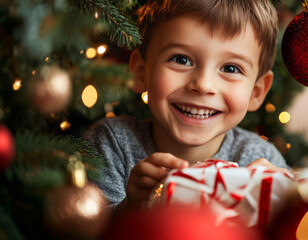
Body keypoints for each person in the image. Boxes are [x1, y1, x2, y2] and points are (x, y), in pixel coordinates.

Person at [84, 0, 290, 211]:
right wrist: (131, 208)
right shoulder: (112, 144)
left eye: (230, 68)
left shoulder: (260, 159)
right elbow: (83, 229)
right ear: (139, 72)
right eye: (181, 60)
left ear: (256, 92)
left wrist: (289, 202)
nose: (203, 85)